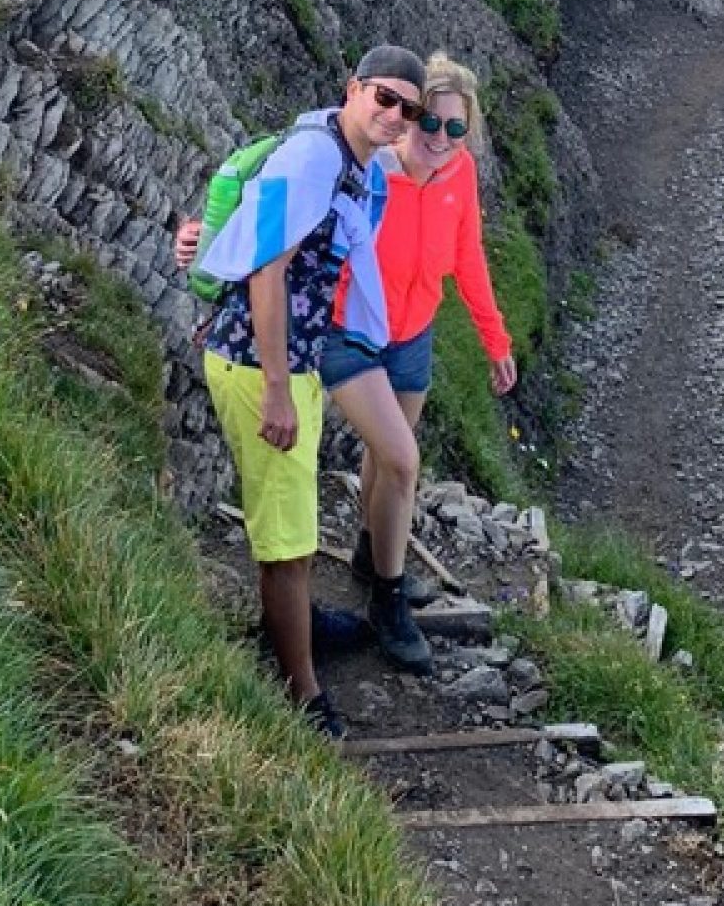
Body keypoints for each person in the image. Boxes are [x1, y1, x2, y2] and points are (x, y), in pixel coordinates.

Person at [177, 53, 516, 679]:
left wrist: (496, 341)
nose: (435, 136)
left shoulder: (431, 171)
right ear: (358, 94)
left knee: (379, 463)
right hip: (331, 340)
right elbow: (269, 218)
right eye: (420, 119)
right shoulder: (348, 157)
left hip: (401, 333)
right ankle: (365, 619)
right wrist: (207, 236)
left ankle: (366, 564)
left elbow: (467, 254)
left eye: (450, 127)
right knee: (397, 463)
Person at [190, 47, 423, 739]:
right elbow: (268, 270)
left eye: (407, 110)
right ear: (352, 89)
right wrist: (276, 390)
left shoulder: (342, 154)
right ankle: (301, 690)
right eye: (384, 98)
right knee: (286, 539)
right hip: (261, 366)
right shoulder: (318, 160)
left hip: (294, 364)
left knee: (292, 514)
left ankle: (295, 622)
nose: (394, 116)